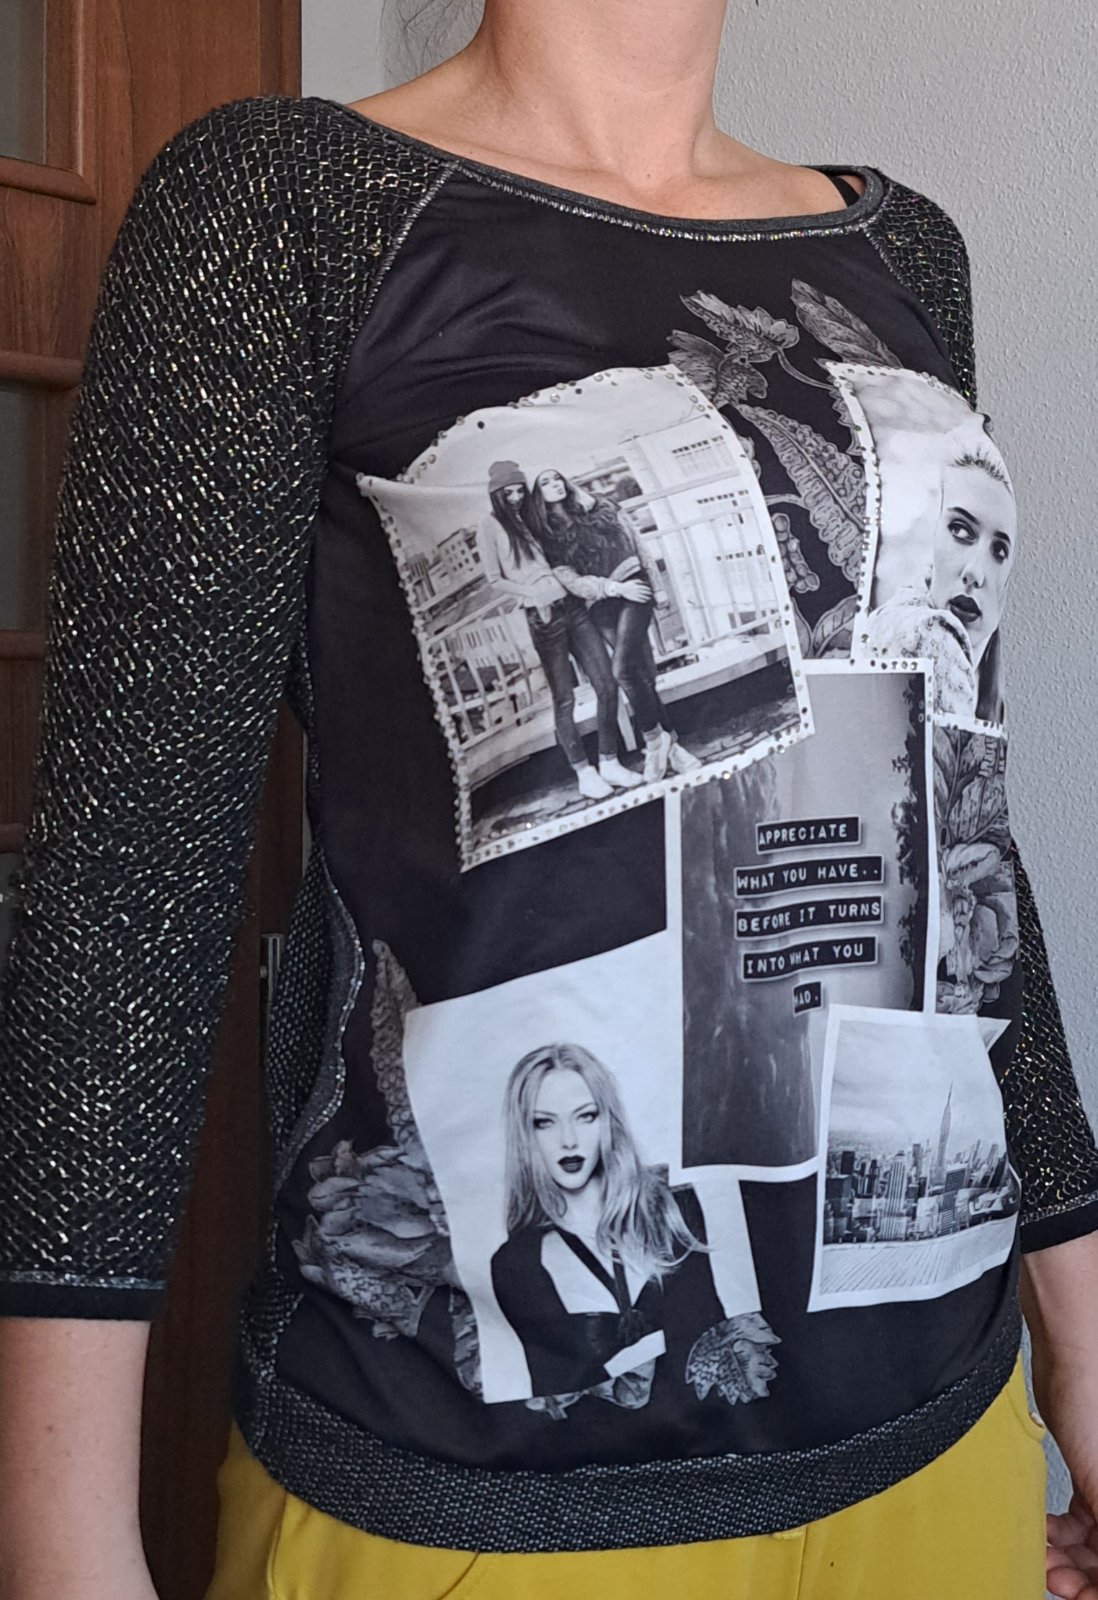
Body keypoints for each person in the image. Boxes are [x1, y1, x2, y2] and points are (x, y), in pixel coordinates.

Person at [0, 2, 1096, 1599]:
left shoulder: (900, 250)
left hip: (937, 1428)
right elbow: (126, 884)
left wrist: (1081, 1348)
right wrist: (58, 1541)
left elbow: (953, 823)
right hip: (467, 1477)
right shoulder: (290, 199)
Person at [489, 1042, 737, 1402]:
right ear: (525, 1134)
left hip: (710, 1429)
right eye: (545, 1122)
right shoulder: (516, 1265)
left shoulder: (673, 1205)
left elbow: (714, 1338)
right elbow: (556, 1400)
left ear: (608, 1119)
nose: (569, 1140)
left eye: (586, 1116)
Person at [477, 459, 647, 799]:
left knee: (606, 682)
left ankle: (609, 761)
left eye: (519, 490)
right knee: (564, 697)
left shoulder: (530, 517)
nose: (515, 497)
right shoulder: (489, 525)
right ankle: (584, 772)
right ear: (496, 495)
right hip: (542, 615)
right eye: (508, 493)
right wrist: (532, 593)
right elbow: (494, 579)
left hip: (573, 607)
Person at [530, 466, 703, 782]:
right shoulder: (549, 538)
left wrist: (657, 587)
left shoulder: (601, 506)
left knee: (622, 670)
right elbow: (572, 581)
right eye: (546, 482)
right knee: (642, 677)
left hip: (636, 589)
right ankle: (674, 750)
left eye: (557, 478)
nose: (555, 484)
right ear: (537, 494)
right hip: (602, 602)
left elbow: (638, 544)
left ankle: (654, 742)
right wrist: (612, 588)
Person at [864, 440, 1016, 723]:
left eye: (999, 550)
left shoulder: (896, 617)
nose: (975, 573)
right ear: (933, 535)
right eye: (961, 531)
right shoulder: (934, 636)